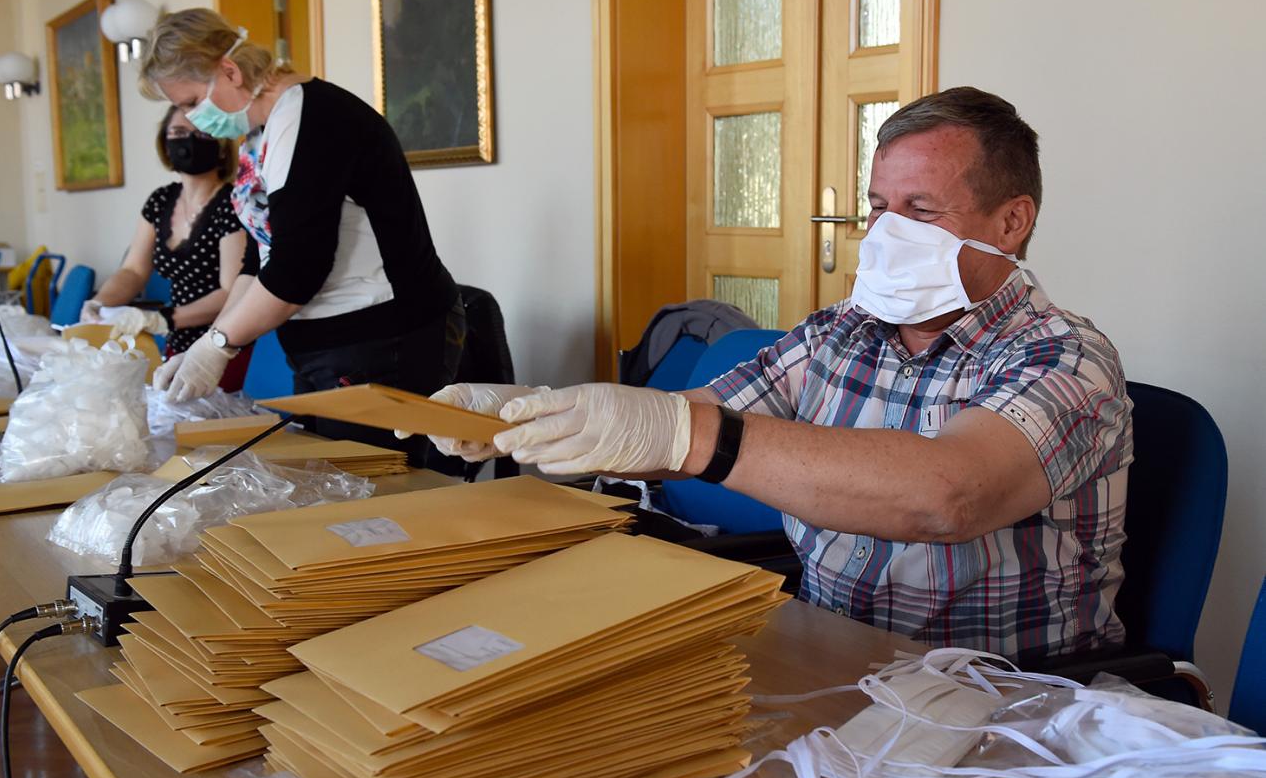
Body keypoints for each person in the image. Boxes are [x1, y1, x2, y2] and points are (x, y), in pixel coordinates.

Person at [424, 88, 1133, 664]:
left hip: (1001, 705)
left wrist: (692, 435)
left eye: (921, 210)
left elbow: (949, 494)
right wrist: (527, 414)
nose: (886, 232)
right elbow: (690, 410)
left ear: (1011, 222)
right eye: (880, 207)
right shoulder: (839, 332)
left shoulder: (1065, 357)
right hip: (832, 666)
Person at [139, 9, 464, 465]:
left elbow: (298, 268)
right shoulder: (262, 132)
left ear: (228, 71)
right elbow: (260, 259)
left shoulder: (315, 118)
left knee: (375, 497)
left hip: (383, 338)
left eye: (192, 100)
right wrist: (208, 341)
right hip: (325, 345)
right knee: (330, 488)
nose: (194, 119)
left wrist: (219, 346)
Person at [81, 105, 255, 391]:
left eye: (202, 133)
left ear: (221, 145)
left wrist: (162, 318)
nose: (189, 140)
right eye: (178, 132)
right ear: (165, 142)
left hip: (223, 342)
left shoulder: (231, 204)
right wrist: (101, 303)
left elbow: (229, 293)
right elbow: (134, 270)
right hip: (177, 339)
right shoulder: (160, 201)